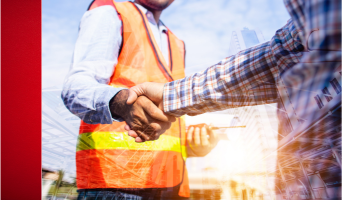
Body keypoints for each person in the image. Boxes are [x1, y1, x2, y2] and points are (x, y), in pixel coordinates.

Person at [125, 0, 341, 199]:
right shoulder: (113, 12)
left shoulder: (176, 44)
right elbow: (283, 55)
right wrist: (173, 100)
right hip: (120, 181)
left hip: (164, 183)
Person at [61, 0, 218, 199]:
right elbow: (74, 88)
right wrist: (122, 102)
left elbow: (166, 122)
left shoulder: (177, 43)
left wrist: (193, 145)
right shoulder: (112, 13)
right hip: (117, 184)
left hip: (173, 186)